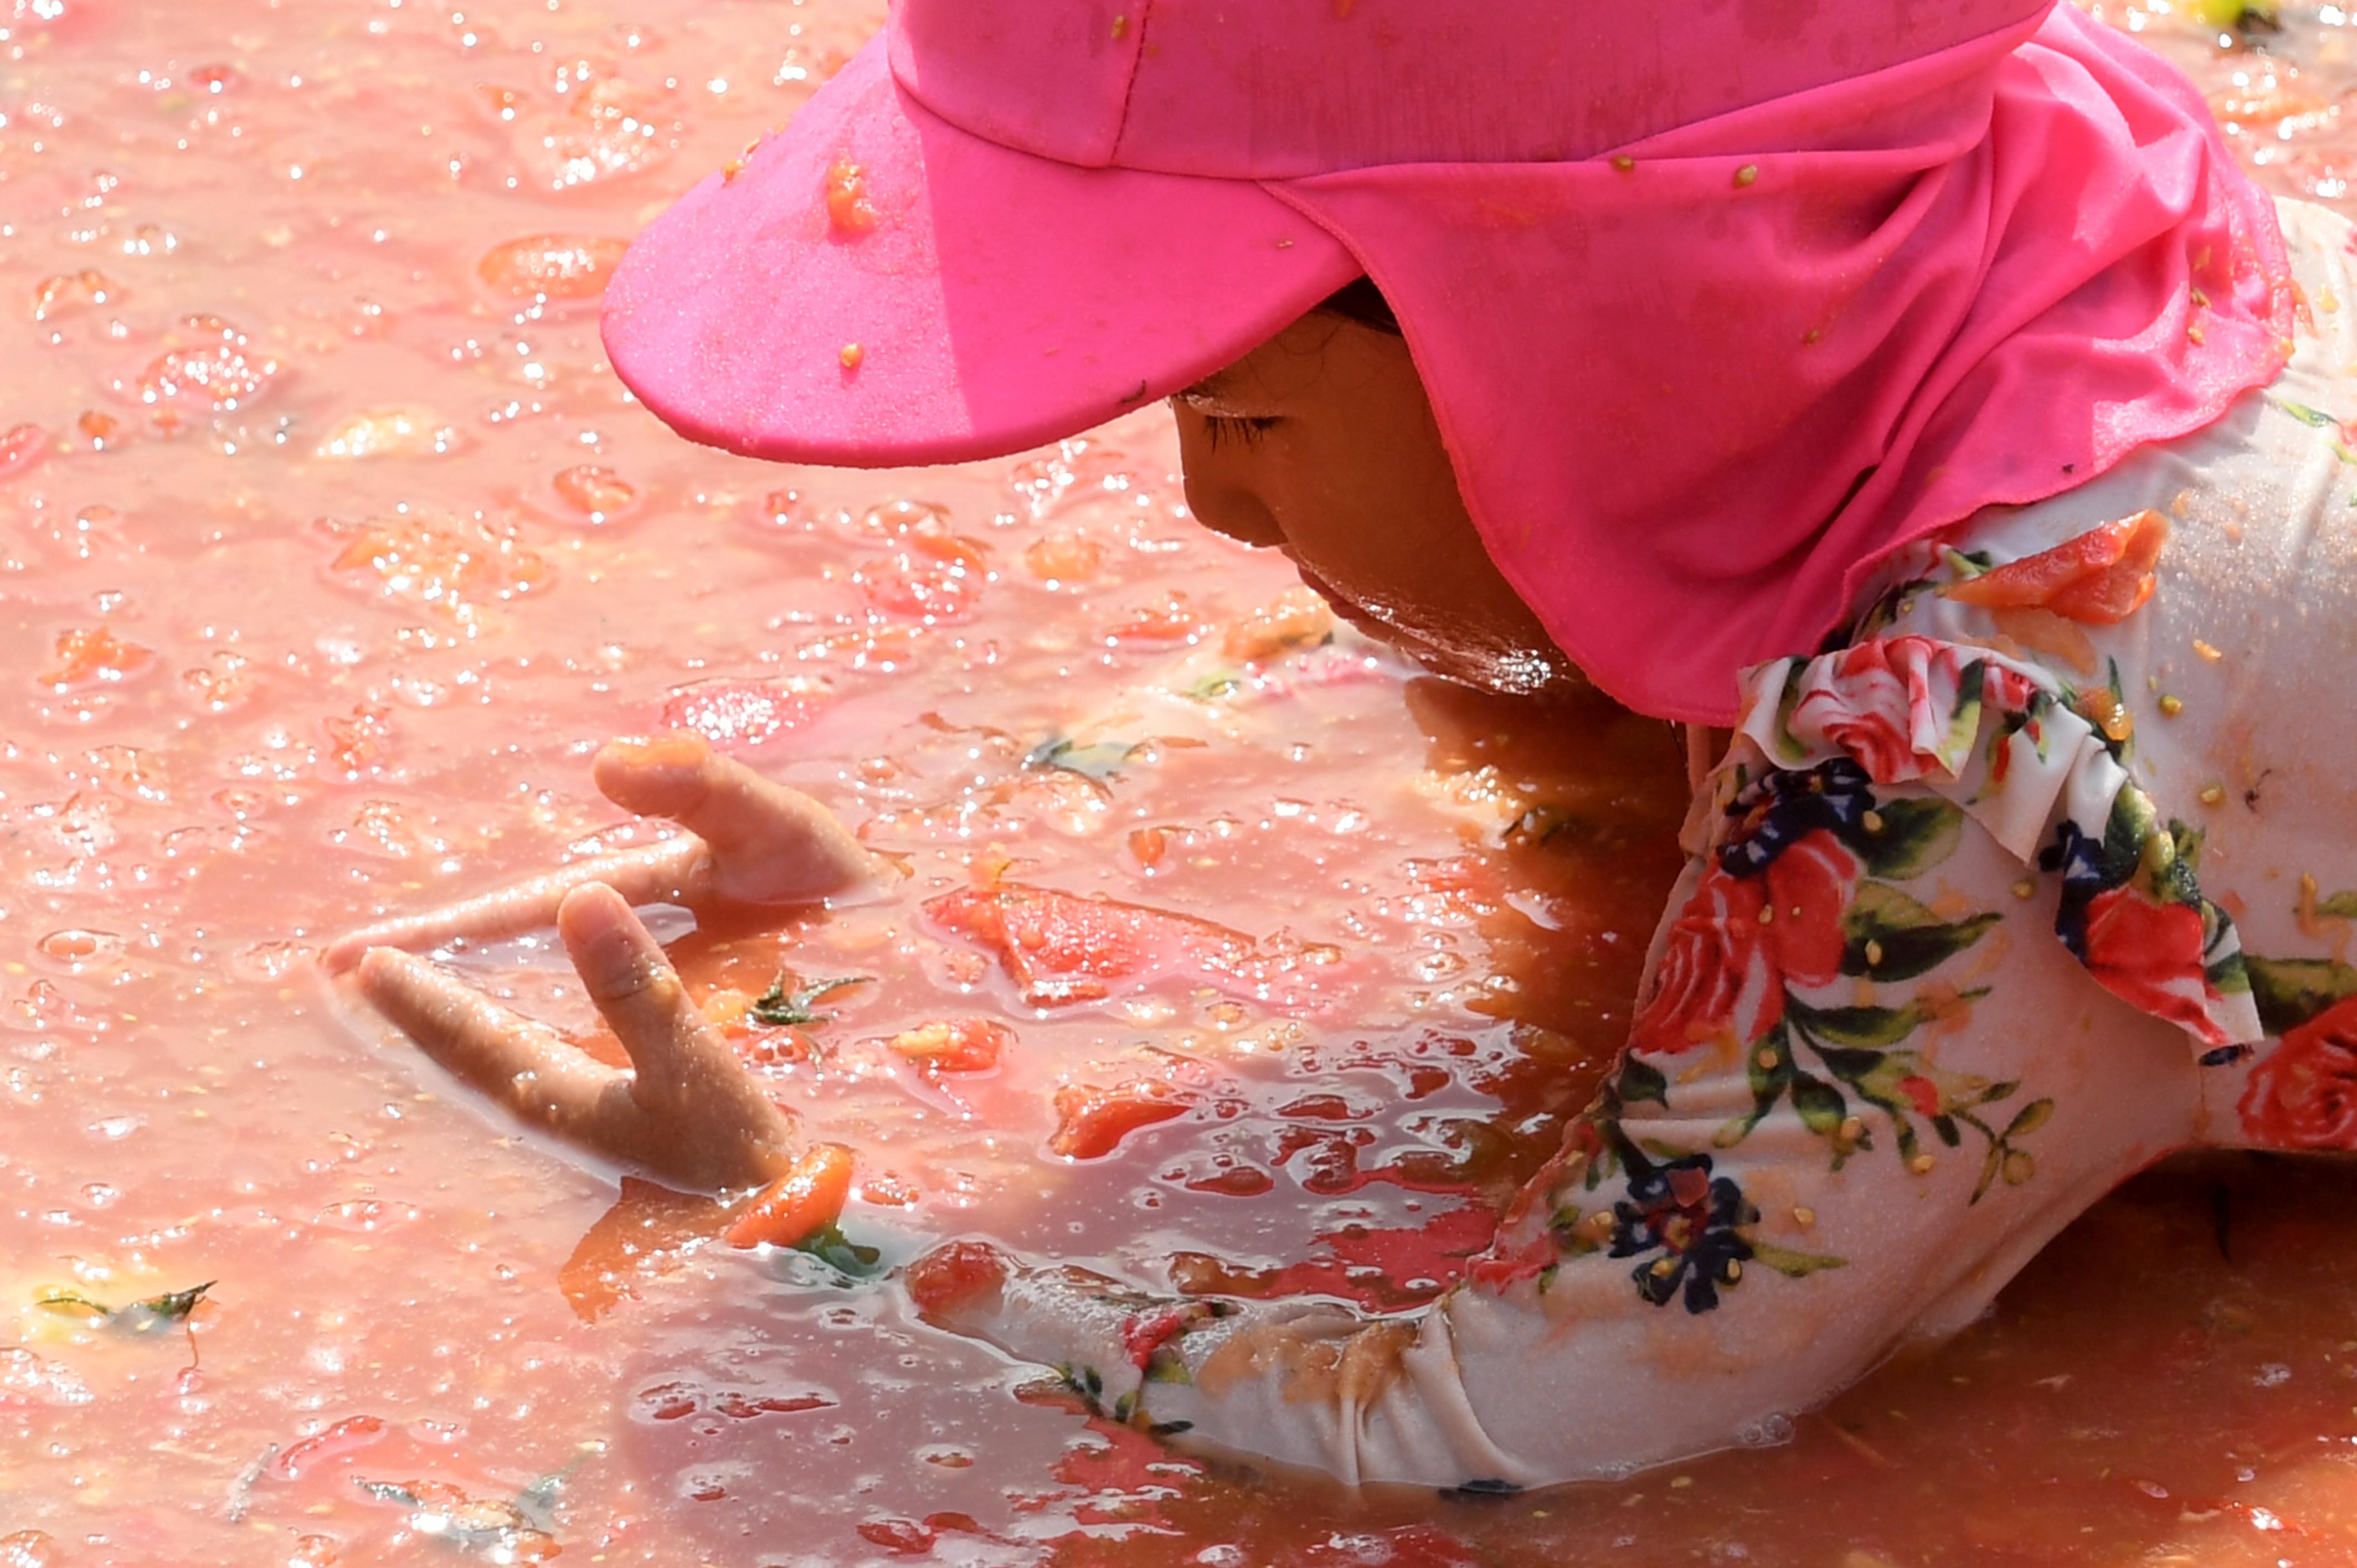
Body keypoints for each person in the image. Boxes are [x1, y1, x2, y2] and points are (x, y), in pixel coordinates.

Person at [326, 0, 2357, 1488]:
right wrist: (931, 914)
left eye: (1241, 412)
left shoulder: (1935, 761)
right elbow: (1515, 667)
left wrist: (791, 1211)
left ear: (1589, 329)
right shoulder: (2005, 207)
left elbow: (1524, 1427)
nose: (1208, 509)